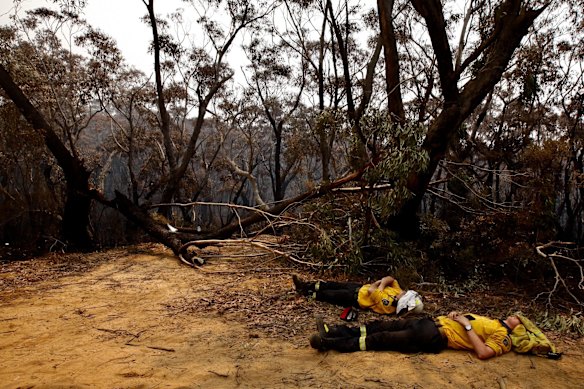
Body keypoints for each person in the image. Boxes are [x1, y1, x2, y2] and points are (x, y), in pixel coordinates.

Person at [309, 311, 522, 360]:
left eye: (520, 318)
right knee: (379, 326)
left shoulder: (504, 336)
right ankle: (333, 331)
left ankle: (329, 343)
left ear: (520, 329)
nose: (517, 314)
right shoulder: (495, 321)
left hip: (434, 336)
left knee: (381, 338)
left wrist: (466, 326)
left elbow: (484, 352)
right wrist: (456, 315)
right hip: (430, 322)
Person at [292, 275, 423, 317]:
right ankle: (306, 285)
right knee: (330, 285)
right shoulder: (397, 292)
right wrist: (381, 284)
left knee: (328, 295)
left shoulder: (387, 305)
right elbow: (390, 278)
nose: (404, 292)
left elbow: (372, 290)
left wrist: (378, 284)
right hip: (357, 287)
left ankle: (305, 293)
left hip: (353, 298)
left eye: (406, 294)